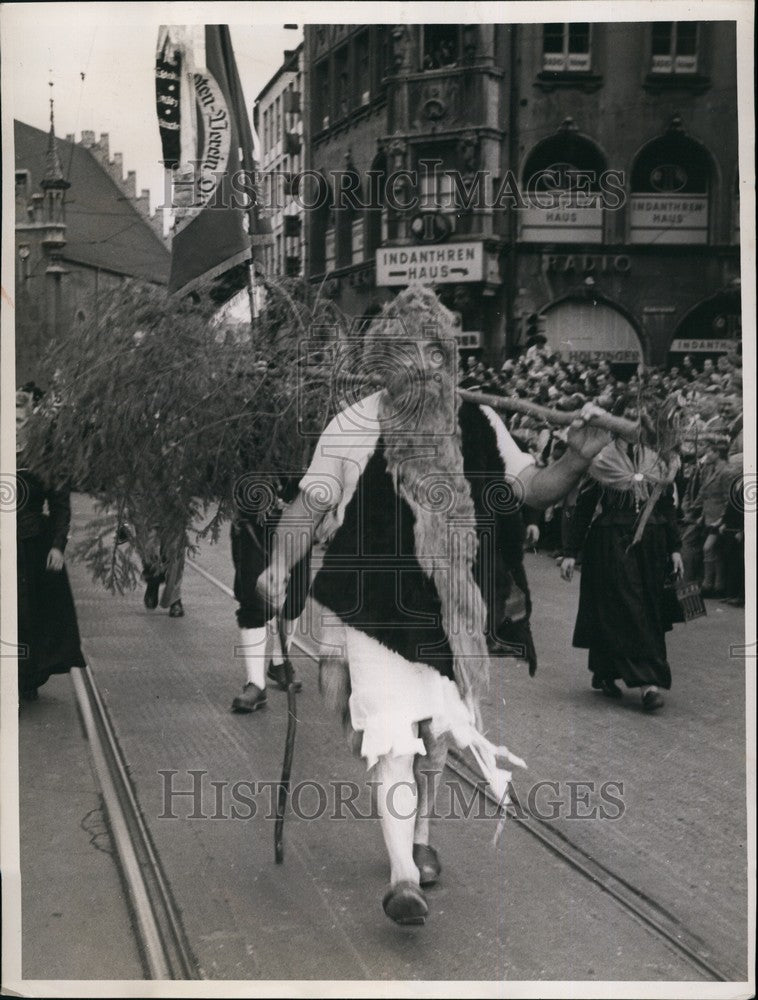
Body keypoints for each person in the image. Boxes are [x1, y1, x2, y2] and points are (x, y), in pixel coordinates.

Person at [255, 287, 612, 926]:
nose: (422, 363)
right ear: (383, 363)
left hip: (453, 613)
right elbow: (307, 507)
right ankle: (401, 877)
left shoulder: (478, 423)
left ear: (449, 357)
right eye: (405, 352)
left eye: (433, 350)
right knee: (392, 737)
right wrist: (280, 565)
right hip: (371, 609)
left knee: (438, 734)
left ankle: (422, 836)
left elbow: (533, 488)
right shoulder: (354, 424)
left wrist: (577, 458)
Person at [560, 415, 684, 712]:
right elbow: (585, 507)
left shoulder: (656, 459)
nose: (635, 429)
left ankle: (604, 671)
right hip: (612, 544)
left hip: (652, 544)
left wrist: (675, 548)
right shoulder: (601, 460)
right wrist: (570, 551)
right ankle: (648, 685)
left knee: (646, 607)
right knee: (628, 606)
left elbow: (665, 506)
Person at [16, 385, 86, 700]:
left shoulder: (45, 457)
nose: (15, 426)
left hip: (32, 547)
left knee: (29, 614)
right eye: (10, 420)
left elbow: (60, 506)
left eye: (20, 420)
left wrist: (58, 545)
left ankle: (25, 675)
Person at [229, 476, 306, 713]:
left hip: (300, 517)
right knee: (253, 596)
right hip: (253, 519)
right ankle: (255, 684)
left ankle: (280, 662)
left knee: (295, 597)